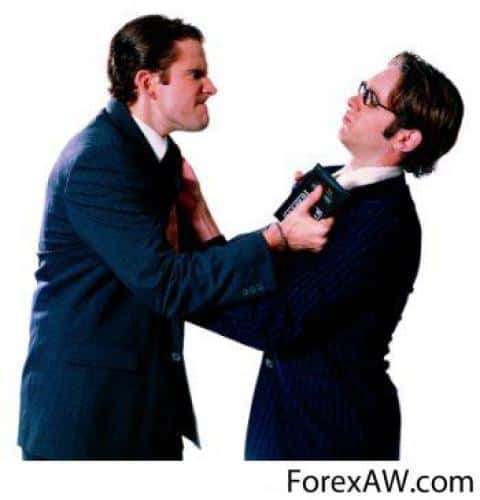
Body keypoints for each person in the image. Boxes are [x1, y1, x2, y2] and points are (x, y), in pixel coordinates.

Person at [17, 15, 333, 460]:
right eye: (195, 74)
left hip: (144, 410)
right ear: (148, 83)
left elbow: (195, 275)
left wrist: (244, 228)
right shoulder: (98, 161)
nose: (211, 87)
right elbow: (167, 284)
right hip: (88, 422)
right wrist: (275, 239)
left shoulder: (156, 156)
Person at [187, 52, 464, 459]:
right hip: (284, 418)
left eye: (371, 98)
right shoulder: (332, 183)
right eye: (362, 89)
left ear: (405, 139)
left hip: (332, 437)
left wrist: (172, 286)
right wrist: (200, 216)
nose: (354, 100)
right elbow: (262, 273)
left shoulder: (385, 222)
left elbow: (276, 322)